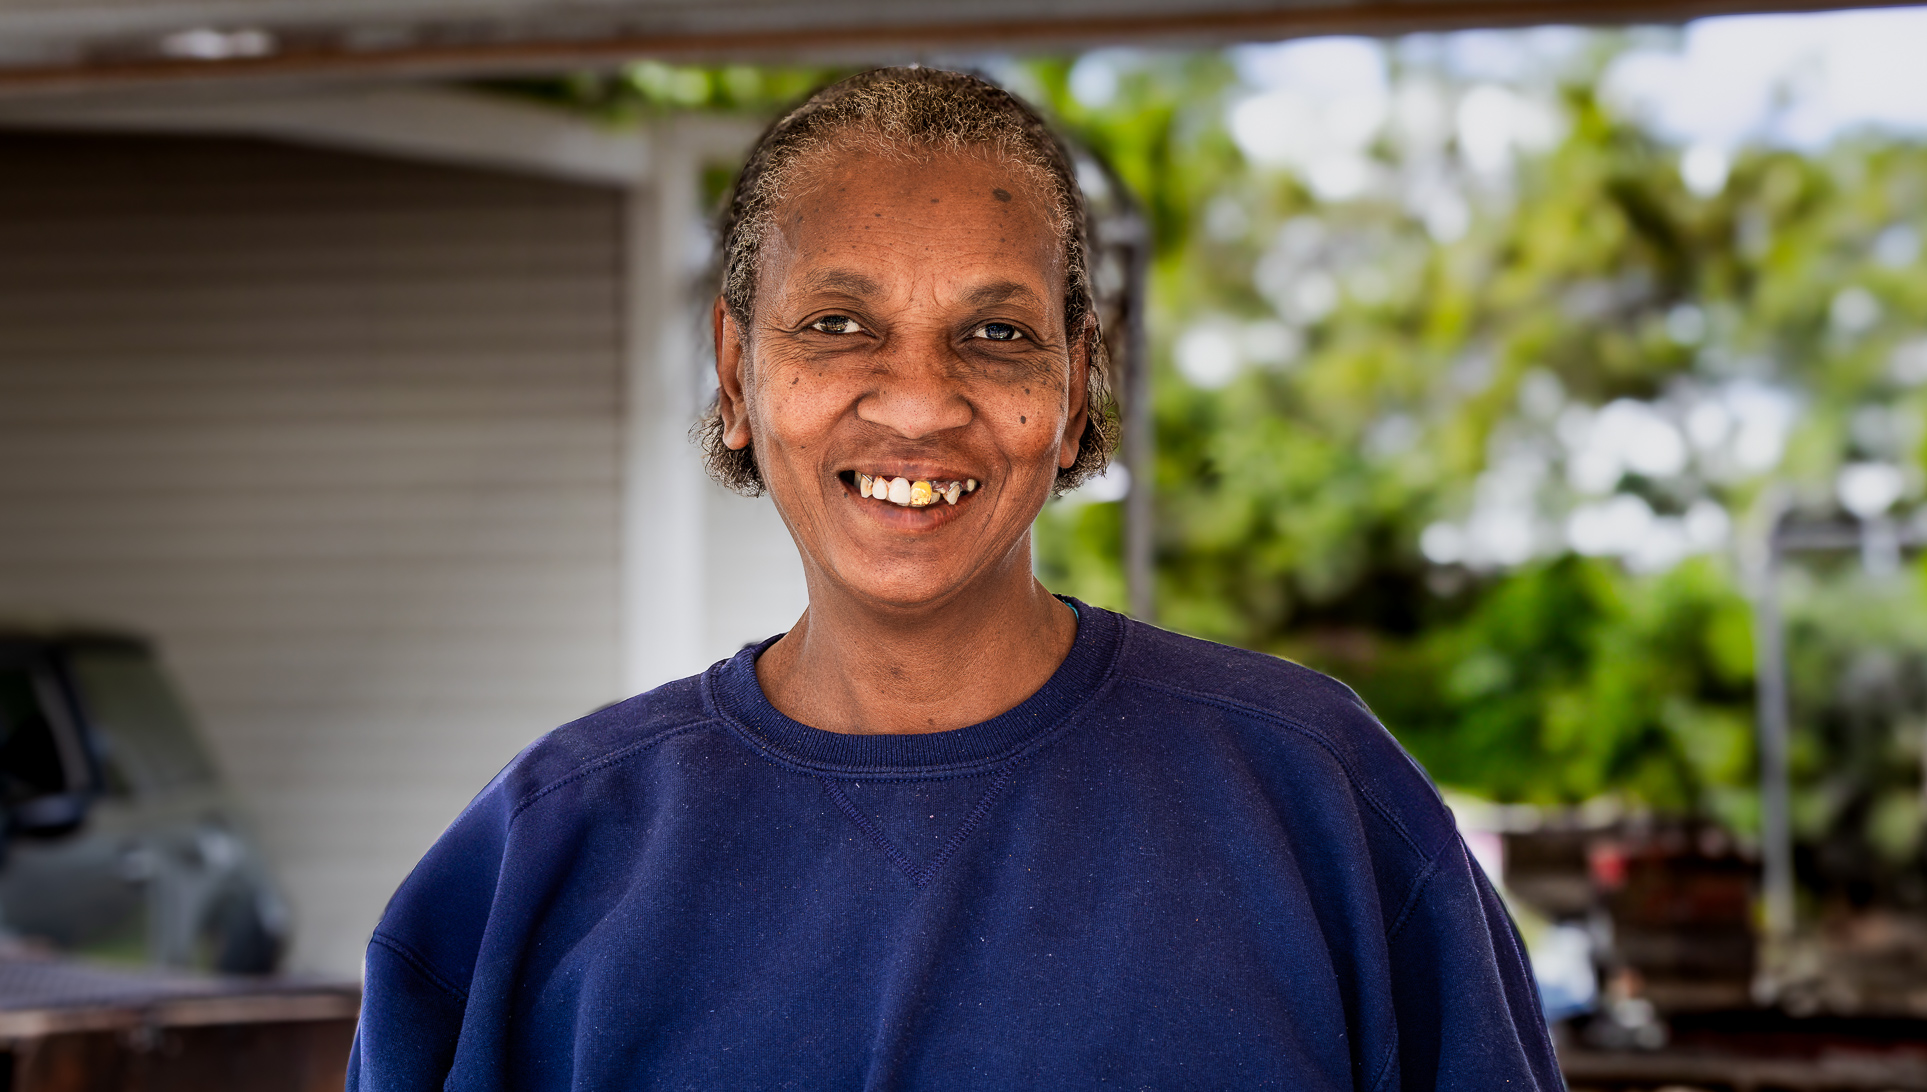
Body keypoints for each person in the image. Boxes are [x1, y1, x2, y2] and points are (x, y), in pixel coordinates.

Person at [348, 67, 1564, 1091]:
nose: (921, 402)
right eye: (836, 324)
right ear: (736, 375)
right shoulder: (547, 852)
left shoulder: (1312, 797)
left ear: (1076, 380)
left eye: (996, 333)